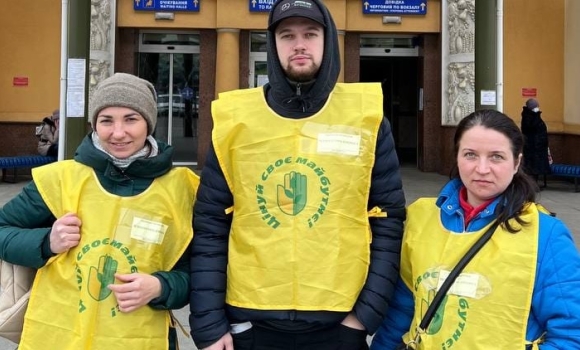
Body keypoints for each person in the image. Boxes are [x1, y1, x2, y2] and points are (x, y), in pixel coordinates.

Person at [189, 0, 406, 349]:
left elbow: (388, 219)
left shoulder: (366, 118)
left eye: (310, 34)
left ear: (328, 40)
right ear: (273, 45)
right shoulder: (234, 121)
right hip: (251, 321)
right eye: (287, 35)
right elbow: (211, 225)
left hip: (340, 322)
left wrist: (365, 317)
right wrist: (209, 325)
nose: (299, 44)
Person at [0, 73, 199, 349]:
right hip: (58, 336)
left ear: (149, 123)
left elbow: (203, 270)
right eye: (106, 120)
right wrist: (46, 242)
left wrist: (162, 287)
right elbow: (2, 230)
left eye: (131, 119)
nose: (118, 133)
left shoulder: (184, 189)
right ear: (94, 125)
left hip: (139, 338)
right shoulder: (61, 179)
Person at [371, 109, 580, 349]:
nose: (482, 169)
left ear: (517, 162)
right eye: (470, 154)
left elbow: (571, 333)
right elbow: (402, 308)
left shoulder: (546, 234)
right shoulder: (421, 217)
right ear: (457, 157)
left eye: (496, 157)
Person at [521, 98, 551, 189]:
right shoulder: (529, 116)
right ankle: (532, 185)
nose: (537, 108)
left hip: (538, 147)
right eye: (536, 106)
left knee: (536, 168)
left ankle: (534, 184)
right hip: (533, 147)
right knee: (532, 168)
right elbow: (531, 127)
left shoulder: (532, 115)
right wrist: (537, 114)